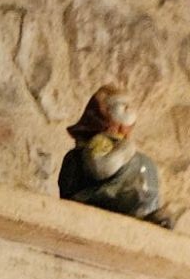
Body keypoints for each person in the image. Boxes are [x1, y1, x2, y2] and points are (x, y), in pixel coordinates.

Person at [59, 87, 174, 226]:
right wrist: (124, 150)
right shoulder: (96, 143)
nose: (123, 132)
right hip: (93, 192)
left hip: (119, 190)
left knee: (145, 165)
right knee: (140, 165)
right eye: (119, 126)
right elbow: (99, 168)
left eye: (126, 128)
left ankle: (147, 210)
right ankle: (142, 209)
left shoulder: (119, 144)